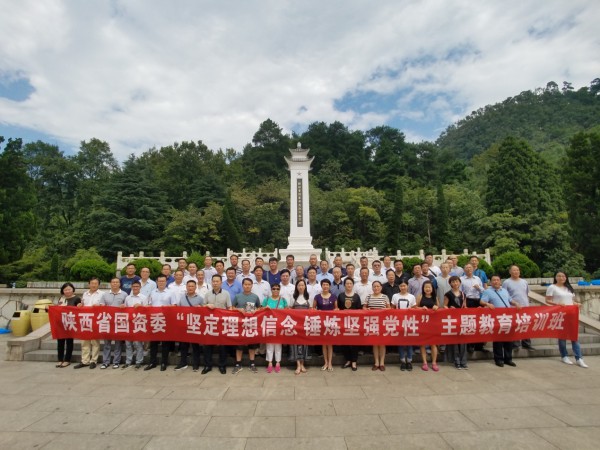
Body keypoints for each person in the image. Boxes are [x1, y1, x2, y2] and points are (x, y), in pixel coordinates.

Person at [545, 271, 588, 368]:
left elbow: (571, 300)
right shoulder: (552, 287)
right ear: (555, 277)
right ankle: (564, 356)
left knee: (574, 336)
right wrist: (557, 304)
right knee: (562, 336)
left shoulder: (569, 287)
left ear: (566, 277)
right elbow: (547, 300)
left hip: (571, 314)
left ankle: (579, 358)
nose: (561, 278)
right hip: (560, 314)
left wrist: (576, 304)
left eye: (563, 276)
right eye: (559, 276)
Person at [480, 275, 521, 368]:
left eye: (497, 280)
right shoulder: (487, 291)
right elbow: (481, 301)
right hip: (496, 319)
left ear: (500, 281)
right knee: (498, 340)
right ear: (490, 282)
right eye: (494, 280)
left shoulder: (504, 291)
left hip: (507, 318)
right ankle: (498, 359)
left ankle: (508, 359)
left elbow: (510, 300)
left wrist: (515, 303)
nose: (496, 281)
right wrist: (487, 304)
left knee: (509, 340)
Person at [202, 275, 232, 374]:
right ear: (211, 282)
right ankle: (207, 365)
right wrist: (207, 305)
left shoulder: (226, 294)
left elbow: (229, 307)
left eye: (217, 281)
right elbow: (202, 307)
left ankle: (222, 365)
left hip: (222, 323)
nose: (215, 283)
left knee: (222, 346)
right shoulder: (207, 294)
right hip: (210, 323)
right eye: (213, 281)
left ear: (221, 283)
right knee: (208, 344)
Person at [145, 275, 176, 371]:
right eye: (159, 281)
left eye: (163, 281)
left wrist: (166, 308)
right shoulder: (152, 292)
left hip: (166, 320)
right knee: (153, 342)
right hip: (154, 320)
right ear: (157, 282)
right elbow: (149, 304)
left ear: (166, 282)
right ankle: (152, 362)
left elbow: (174, 306)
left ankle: (164, 362)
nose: (161, 283)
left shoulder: (171, 292)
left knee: (165, 343)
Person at [231, 278, 261, 374]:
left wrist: (255, 310)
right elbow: (232, 307)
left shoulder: (255, 297)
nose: (247, 286)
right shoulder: (237, 296)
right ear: (242, 285)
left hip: (251, 324)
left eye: (249, 284)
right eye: (245, 284)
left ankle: (252, 364)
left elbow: (259, 308)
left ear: (252, 286)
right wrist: (238, 310)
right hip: (240, 324)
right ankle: (238, 364)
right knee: (239, 345)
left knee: (252, 345)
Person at [174, 280, 204, 372]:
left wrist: (200, 308)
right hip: (184, 325)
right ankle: (183, 363)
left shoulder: (200, 298)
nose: (190, 288)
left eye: (192, 286)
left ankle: (196, 364)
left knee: (195, 345)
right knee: (183, 345)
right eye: (189, 286)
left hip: (195, 325)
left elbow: (204, 312)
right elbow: (178, 309)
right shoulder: (182, 297)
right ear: (186, 287)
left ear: (195, 287)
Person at [503, 264, 535, 351]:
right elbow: (505, 295)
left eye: (517, 270)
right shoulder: (506, 282)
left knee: (526, 325)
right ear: (510, 272)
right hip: (513, 307)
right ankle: (515, 345)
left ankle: (526, 344)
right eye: (514, 270)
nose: (516, 272)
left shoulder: (524, 282)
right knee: (515, 325)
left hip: (525, 307)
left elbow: (526, 293)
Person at [74, 277, 103, 369]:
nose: (94, 285)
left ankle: (93, 360)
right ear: (89, 284)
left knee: (95, 342)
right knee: (84, 342)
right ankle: (85, 361)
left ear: (98, 285)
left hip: (96, 320)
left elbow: (104, 306)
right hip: (85, 319)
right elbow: (83, 304)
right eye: (92, 283)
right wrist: (80, 305)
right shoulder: (85, 294)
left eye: (95, 283)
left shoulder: (102, 294)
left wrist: (99, 306)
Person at [99, 277, 127, 369]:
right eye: (113, 282)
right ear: (110, 283)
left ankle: (116, 361)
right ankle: (105, 362)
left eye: (117, 282)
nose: (115, 283)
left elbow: (127, 307)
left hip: (118, 322)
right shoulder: (105, 295)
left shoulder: (124, 294)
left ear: (120, 284)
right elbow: (101, 305)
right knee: (107, 343)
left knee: (118, 343)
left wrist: (124, 306)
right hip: (107, 322)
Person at [364, 281, 390, 371]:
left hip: (383, 322)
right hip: (372, 323)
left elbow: (389, 308)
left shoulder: (385, 297)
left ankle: (382, 363)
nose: (376, 288)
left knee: (382, 343)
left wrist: (384, 310)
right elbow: (364, 307)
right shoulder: (368, 297)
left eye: (378, 286)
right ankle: (376, 362)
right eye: (374, 286)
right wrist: (366, 309)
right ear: (372, 288)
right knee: (375, 343)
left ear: (381, 287)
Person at [262, 283, 288, 373]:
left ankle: (277, 363)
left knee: (278, 345)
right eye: (274, 288)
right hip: (269, 324)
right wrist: (265, 308)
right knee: (269, 344)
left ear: (279, 290)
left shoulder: (283, 300)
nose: (275, 290)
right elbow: (260, 310)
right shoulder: (266, 300)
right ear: (271, 290)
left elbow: (287, 311)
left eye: (277, 289)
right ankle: (269, 363)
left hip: (279, 325)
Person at [54, 282, 81, 368]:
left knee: (69, 342)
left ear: (73, 290)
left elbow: (79, 310)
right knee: (60, 342)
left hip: (71, 323)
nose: (67, 291)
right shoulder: (61, 298)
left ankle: (67, 360)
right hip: (61, 323)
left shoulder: (77, 299)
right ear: (63, 291)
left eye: (69, 289)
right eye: (65, 290)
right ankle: (60, 359)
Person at [391, 280, 416, 371]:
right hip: (398, 322)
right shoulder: (395, 296)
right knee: (400, 342)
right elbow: (392, 308)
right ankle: (402, 361)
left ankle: (409, 361)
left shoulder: (412, 297)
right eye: (401, 286)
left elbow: (414, 309)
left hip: (409, 322)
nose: (403, 287)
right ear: (399, 287)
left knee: (409, 342)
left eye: (404, 285)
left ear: (407, 286)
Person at [444, 276, 468, 369]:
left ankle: (463, 361)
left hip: (462, 320)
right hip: (452, 319)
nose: (455, 283)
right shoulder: (448, 294)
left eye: (457, 281)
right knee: (455, 341)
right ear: (450, 283)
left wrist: (466, 309)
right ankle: (456, 361)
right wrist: (449, 309)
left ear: (460, 282)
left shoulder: (463, 294)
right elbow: (445, 305)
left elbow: (465, 305)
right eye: (453, 282)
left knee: (463, 341)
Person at [461, 263, 486, 353]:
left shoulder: (477, 278)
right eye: (467, 268)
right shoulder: (461, 279)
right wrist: (464, 303)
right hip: (468, 301)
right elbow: (460, 292)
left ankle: (479, 345)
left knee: (480, 323)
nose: (469, 269)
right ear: (464, 270)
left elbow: (483, 290)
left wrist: (479, 288)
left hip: (478, 300)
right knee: (470, 324)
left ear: (473, 269)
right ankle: (470, 345)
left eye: (470, 267)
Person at [337, 278, 361, 371]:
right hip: (343, 322)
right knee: (345, 342)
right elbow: (338, 308)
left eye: (350, 283)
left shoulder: (356, 296)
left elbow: (359, 309)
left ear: (353, 285)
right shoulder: (341, 296)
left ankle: (354, 361)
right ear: (344, 285)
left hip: (354, 322)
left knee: (354, 342)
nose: (349, 285)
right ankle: (348, 360)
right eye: (347, 283)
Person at [122, 280, 147, 369]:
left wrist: (141, 306)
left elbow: (147, 310)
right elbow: (125, 309)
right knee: (128, 344)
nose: (135, 288)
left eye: (137, 286)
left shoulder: (144, 297)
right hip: (129, 323)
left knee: (138, 343)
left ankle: (139, 361)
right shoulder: (128, 298)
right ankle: (128, 361)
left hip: (138, 322)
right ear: (131, 287)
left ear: (140, 287)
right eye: (134, 286)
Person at [314, 279, 338, 371]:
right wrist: (317, 311)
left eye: (327, 285)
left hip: (331, 323)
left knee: (330, 344)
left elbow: (336, 309)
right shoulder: (317, 297)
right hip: (321, 323)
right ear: (321, 286)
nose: (325, 286)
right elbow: (313, 308)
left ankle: (330, 363)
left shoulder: (334, 297)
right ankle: (325, 362)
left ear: (329, 286)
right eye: (323, 284)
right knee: (324, 343)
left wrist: (336, 310)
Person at [416, 281, 439, 372]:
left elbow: (439, 308)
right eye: (426, 287)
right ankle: (424, 362)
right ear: (423, 288)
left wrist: (436, 308)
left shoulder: (435, 297)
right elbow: (415, 307)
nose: (428, 289)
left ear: (432, 288)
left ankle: (434, 362)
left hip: (433, 323)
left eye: (429, 287)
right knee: (423, 343)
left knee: (433, 343)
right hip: (422, 323)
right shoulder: (420, 296)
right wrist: (421, 308)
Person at [289, 280, 310, 374]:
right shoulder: (293, 297)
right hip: (295, 325)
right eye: (299, 285)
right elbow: (289, 310)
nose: (301, 287)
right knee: (295, 344)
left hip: (305, 325)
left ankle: (302, 364)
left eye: (302, 285)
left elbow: (312, 310)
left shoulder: (308, 297)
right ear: (296, 287)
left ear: (305, 286)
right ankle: (297, 365)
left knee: (305, 344)